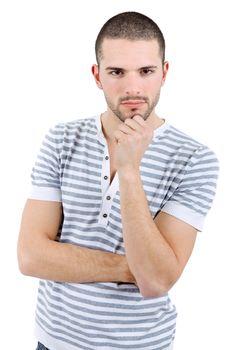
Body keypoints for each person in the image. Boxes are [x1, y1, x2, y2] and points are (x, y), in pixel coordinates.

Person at [17, 11, 219, 350]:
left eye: (146, 71)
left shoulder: (194, 159)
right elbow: (31, 257)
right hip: (52, 342)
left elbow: (154, 282)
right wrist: (133, 268)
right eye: (116, 72)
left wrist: (129, 171)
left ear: (164, 73)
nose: (132, 87)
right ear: (97, 75)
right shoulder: (61, 139)